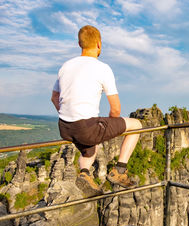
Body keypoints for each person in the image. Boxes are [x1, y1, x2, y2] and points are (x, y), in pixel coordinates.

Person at [51, 25, 142, 196]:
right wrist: (110, 125)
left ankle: (84, 173)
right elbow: (115, 108)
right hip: (87, 126)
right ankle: (120, 171)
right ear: (99, 44)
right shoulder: (102, 68)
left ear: (79, 44)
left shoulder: (65, 66)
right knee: (136, 124)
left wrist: (70, 116)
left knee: (90, 149)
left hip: (64, 127)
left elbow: (54, 98)